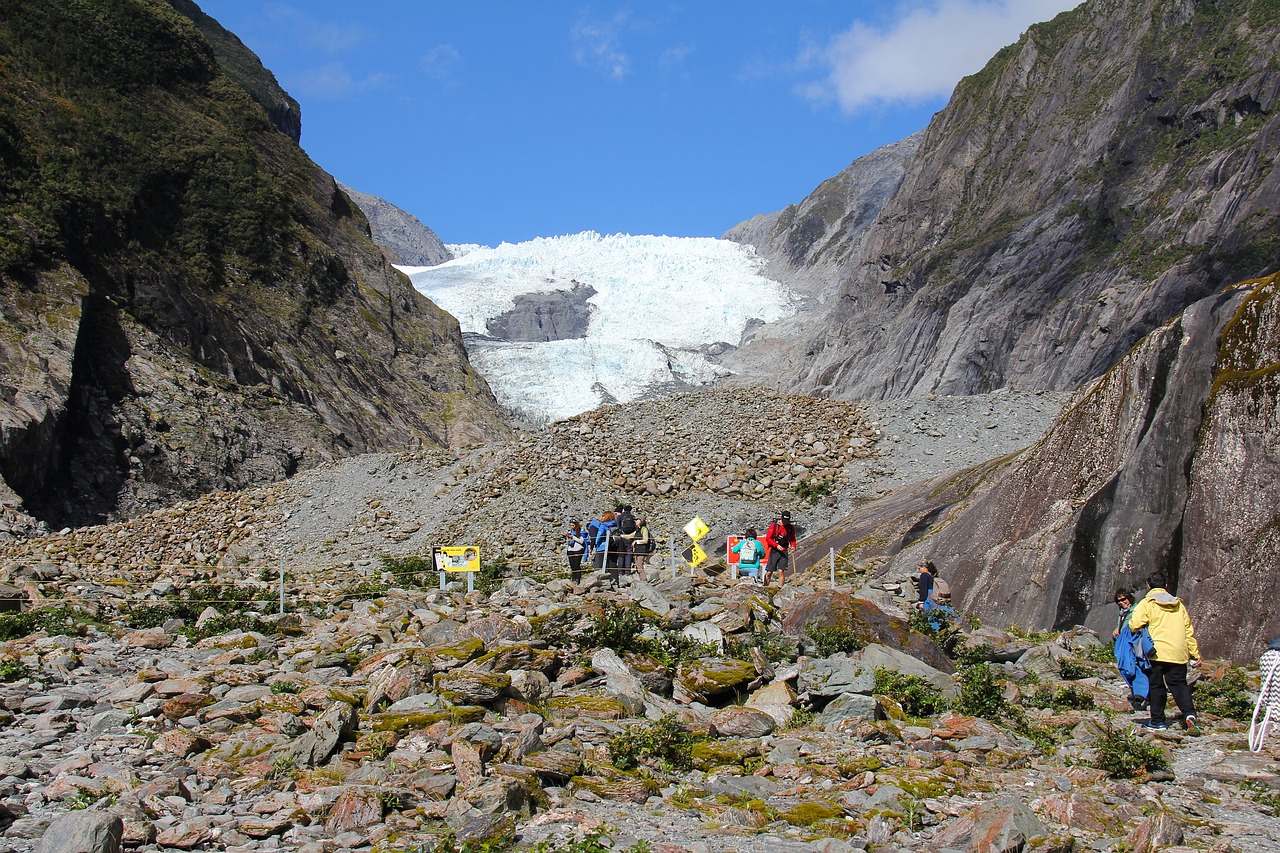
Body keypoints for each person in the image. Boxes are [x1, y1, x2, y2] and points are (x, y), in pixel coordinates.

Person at [1128, 572, 1201, 732]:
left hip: (1156, 652)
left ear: (1149, 586)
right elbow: (1188, 630)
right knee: (1179, 684)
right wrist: (1194, 653)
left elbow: (1134, 625)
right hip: (1178, 652)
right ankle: (1189, 714)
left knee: (1156, 686)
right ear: (1166, 586)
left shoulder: (1147, 603)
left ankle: (1158, 721)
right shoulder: (1178, 604)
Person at [1112, 588, 1150, 711]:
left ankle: (1141, 695)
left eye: (1123, 599)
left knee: (1136, 667)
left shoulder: (1136, 610)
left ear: (1129, 598)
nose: (1121, 602)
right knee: (1128, 667)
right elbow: (1120, 626)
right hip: (1125, 643)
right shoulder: (1122, 613)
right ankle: (1139, 693)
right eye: (1118, 601)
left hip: (1135, 643)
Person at [763, 511, 797, 586]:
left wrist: (793, 546)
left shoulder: (791, 528)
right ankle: (765, 587)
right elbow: (768, 538)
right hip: (775, 551)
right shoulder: (775, 525)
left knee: (781, 571)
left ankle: (780, 588)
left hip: (784, 551)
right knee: (769, 572)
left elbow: (792, 539)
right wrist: (776, 545)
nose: (785, 523)